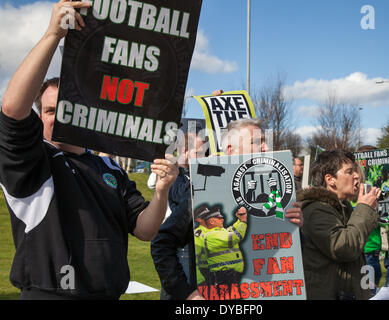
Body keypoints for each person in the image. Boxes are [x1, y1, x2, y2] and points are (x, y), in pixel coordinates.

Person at [0, 0, 178, 300]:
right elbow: (12, 109)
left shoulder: (108, 167)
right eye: (49, 110)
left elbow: (145, 230)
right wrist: (52, 35)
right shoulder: (33, 161)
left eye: (65, 106)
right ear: (39, 116)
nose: (58, 116)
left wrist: (161, 192)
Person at [151, 116, 304, 300]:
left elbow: (288, 253)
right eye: (258, 142)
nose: (266, 148)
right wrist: (186, 294)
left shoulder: (276, 191)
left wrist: (295, 228)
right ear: (231, 150)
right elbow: (162, 245)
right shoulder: (207, 192)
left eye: (265, 142)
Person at [297, 149, 381, 300]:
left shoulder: (343, 207)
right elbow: (344, 248)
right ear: (330, 180)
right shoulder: (315, 209)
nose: (356, 176)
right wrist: (364, 209)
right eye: (349, 172)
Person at [151, 132, 207, 300]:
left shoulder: (196, 175)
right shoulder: (175, 176)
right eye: (198, 152)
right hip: (181, 253)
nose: (203, 156)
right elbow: (183, 196)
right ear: (184, 151)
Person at [194, 205, 247, 292]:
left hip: (221, 274)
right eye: (204, 216)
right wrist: (243, 220)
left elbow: (230, 231)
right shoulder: (200, 234)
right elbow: (196, 258)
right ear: (199, 220)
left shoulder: (216, 231)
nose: (222, 219)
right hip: (207, 275)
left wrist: (239, 220)